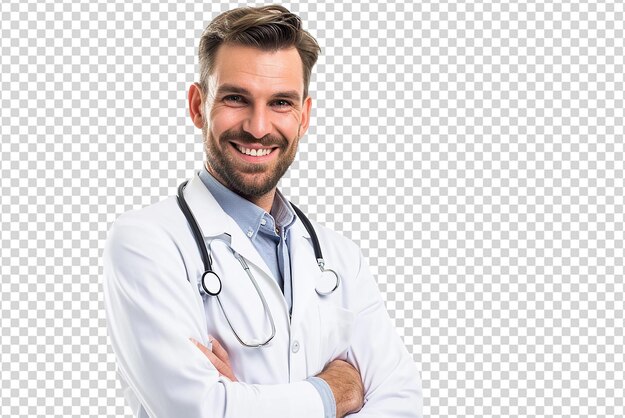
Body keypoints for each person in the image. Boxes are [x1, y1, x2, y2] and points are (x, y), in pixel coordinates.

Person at [103, 4, 422, 418]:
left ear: (303, 117)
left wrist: (246, 400)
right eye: (236, 98)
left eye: (281, 103)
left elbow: (403, 403)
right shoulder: (146, 243)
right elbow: (201, 410)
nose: (257, 127)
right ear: (198, 105)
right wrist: (334, 392)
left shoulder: (341, 258)